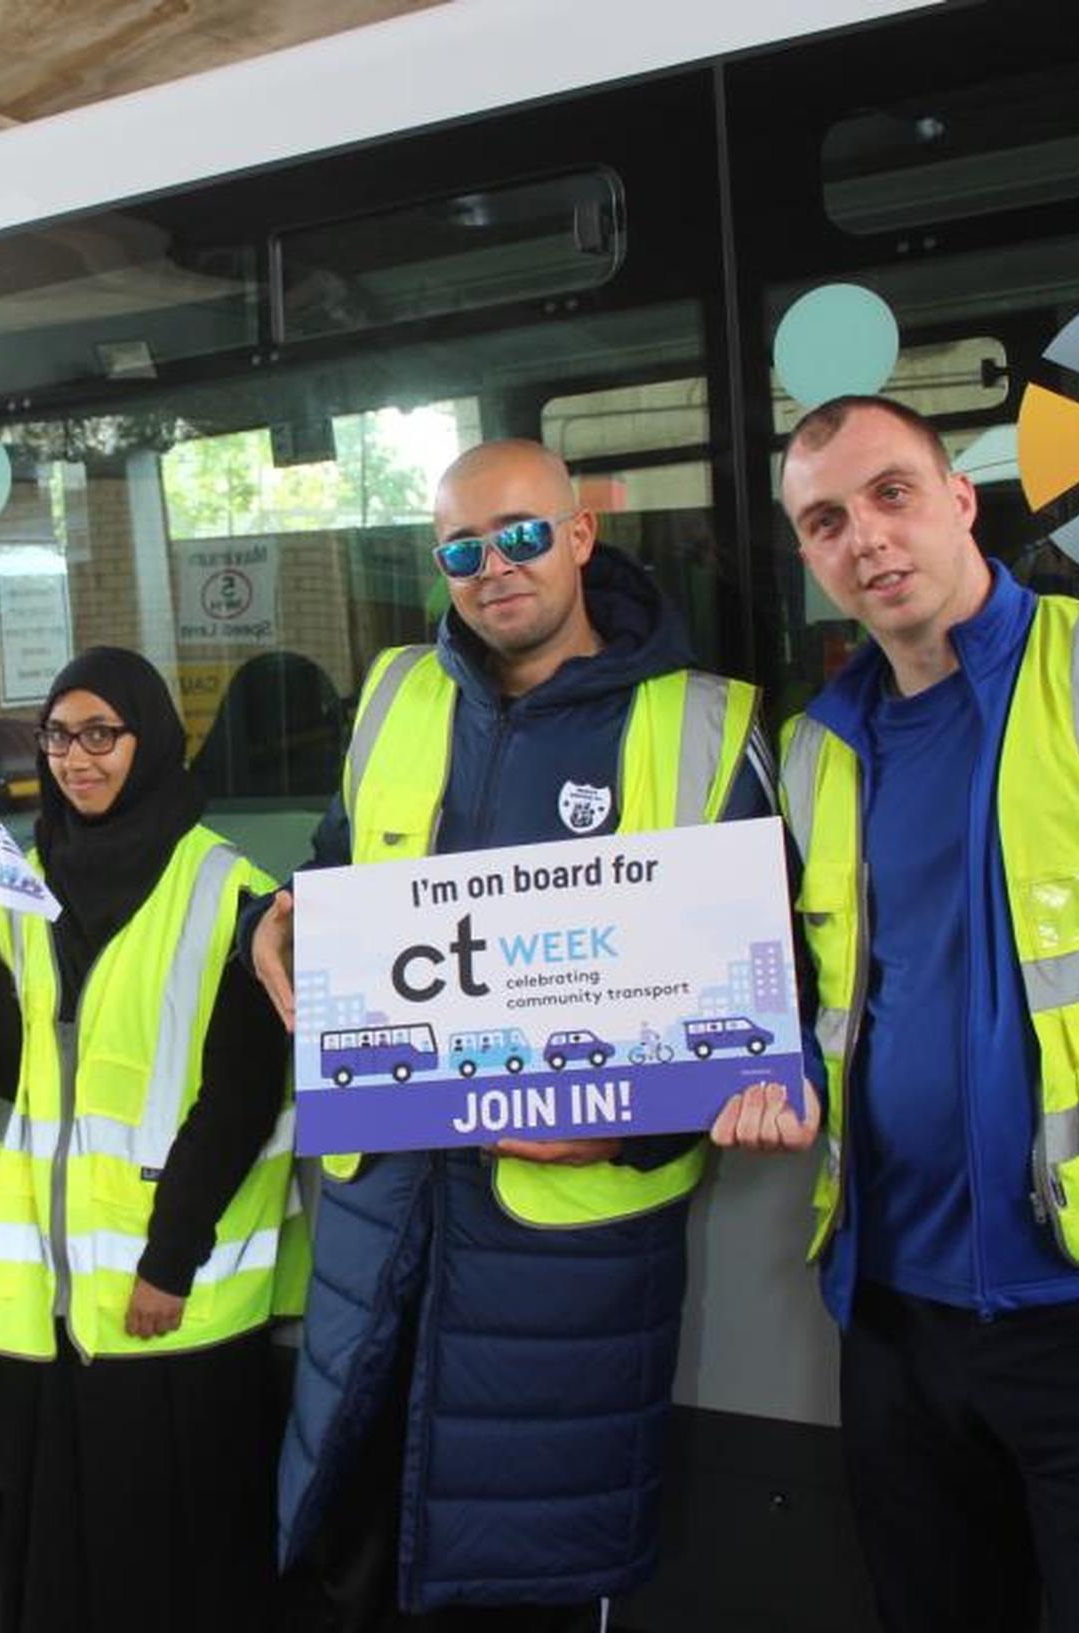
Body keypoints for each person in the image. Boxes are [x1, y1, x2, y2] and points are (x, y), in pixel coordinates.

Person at [738, 394, 1079, 1632]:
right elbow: (841, 1001)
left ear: (959, 499)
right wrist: (774, 1080)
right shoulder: (820, 750)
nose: (867, 539)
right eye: (825, 521)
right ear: (809, 555)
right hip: (895, 1321)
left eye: (890, 494)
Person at [250, 441, 775, 1628]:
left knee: (522, 1583)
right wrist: (276, 923)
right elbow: (337, 876)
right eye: (463, 549)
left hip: (561, 1274)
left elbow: (757, 991)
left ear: (582, 535)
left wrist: (628, 1138)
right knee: (356, 1561)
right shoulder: (392, 696)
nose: (496, 568)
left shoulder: (703, 725)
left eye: (525, 535)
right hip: (381, 1237)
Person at [0, 646, 301, 1633]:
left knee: (178, 1557)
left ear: (153, 740)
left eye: (102, 733)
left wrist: (167, 1261)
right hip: (65, 1296)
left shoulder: (231, 892)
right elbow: (17, 1074)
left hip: (174, 1290)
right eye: (57, 734)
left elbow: (240, 1102)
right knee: (72, 1556)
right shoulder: (32, 881)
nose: (76, 758)